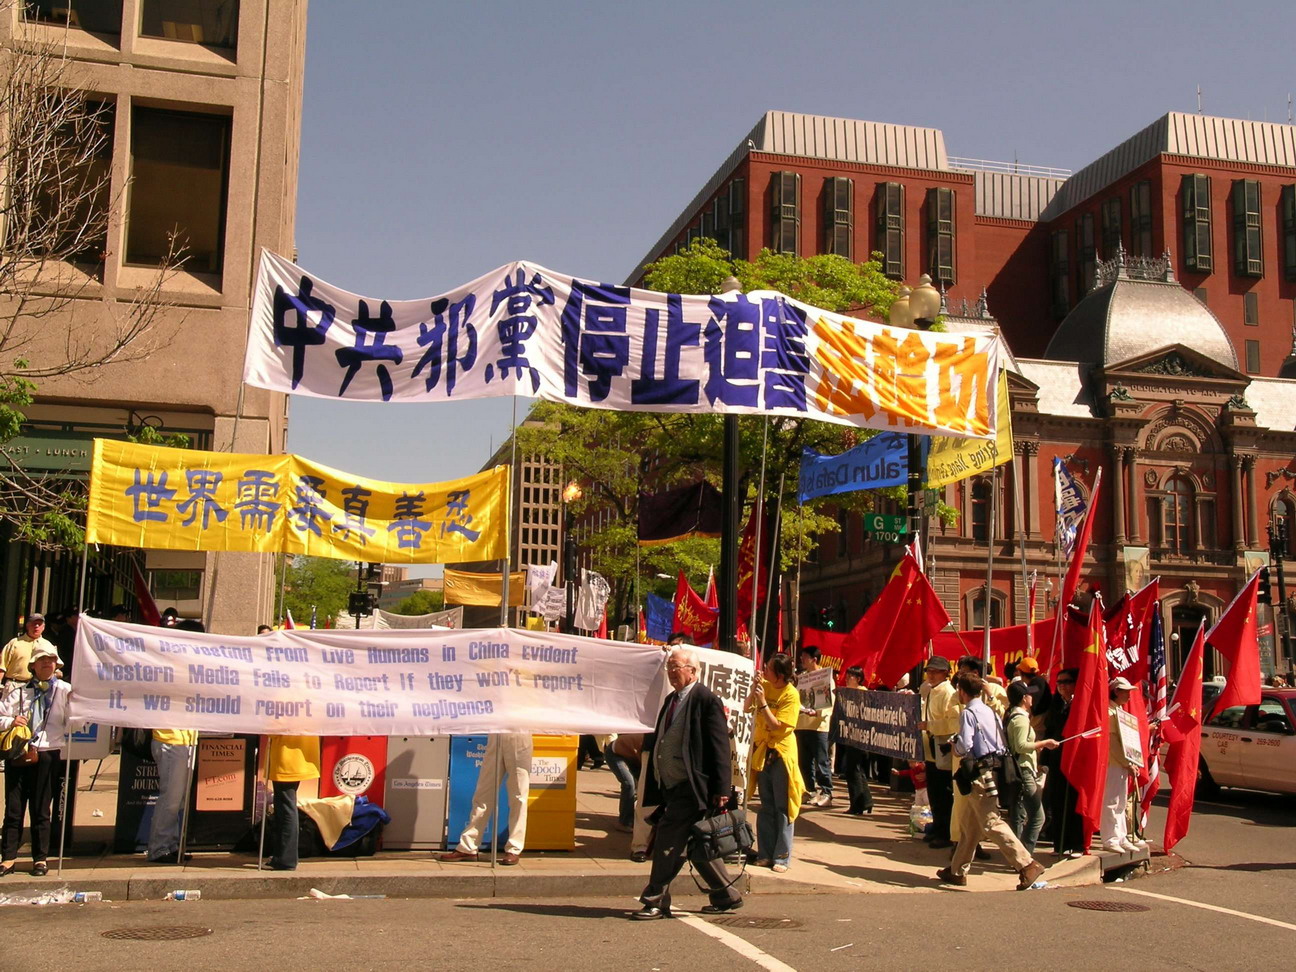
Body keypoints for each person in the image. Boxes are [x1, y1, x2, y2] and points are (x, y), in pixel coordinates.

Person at [632, 646, 741, 919]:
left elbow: (719, 747)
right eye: (669, 667)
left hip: (693, 787)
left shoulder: (706, 700)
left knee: (667, 840)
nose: (671, 672)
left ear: (692, 671)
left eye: (676, 667)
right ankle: (726, 895)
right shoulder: (671, 700)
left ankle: (656, 899)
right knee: (696, 841)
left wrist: (722, 789)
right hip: (671, 786)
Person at [936, 673, 1046, 890]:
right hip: (994, 770)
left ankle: (1027, 864)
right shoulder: (990, 711)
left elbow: (965, 746)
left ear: (962, 692)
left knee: (991, 822)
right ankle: (957, 870)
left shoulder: (968, 713)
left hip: (979, 774)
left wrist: (954, 745)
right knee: (969, 826)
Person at [0, 645, 71, 876]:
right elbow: (1, 715)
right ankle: (8, 858)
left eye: (51, 660)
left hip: (48, 752)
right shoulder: (19, 691)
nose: (47, 663)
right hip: (20, 752)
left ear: (56, 665)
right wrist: (11, 722)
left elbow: (77, 722)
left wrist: (74, 709)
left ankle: (40, 859)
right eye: (42, 660)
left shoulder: (65, 690)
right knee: (14, 807)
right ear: (33, 666)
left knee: (41, 808)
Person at [746, 653, 804, 872]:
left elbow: (778, 725)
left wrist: (763, 703)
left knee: (782, 807)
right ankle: (765, 853)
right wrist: (754, 689)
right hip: (764, 751)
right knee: (766, 805)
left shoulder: (791, 694)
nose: (765, 670)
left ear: (779, 674)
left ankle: (781, 856)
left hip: (781, 754)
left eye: (769, 668)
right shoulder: (766, 686)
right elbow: (746, 708)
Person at [440, 733, 532, 865]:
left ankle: (514, 848)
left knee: (518, 797)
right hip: (496, 735)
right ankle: (468, 847)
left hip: (519, 735)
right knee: (483, 794)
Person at [1004, 681, 1057, 856]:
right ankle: (1025, 855)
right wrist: (1043, 743)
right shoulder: (1020, 718)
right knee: (1037, 816)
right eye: (1029, 694)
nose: (1032, 697)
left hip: (1020, 769)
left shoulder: (1014, 715)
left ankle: (1018, 854)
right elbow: (1020, 746)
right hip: (1023, 771)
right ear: (1024, 698)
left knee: (1019, 814)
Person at [1041, 667, 1085, 857]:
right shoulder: (1056, 704)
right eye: (1059, 682)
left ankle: (1077, 844)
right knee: (1056, 800)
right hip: (1056, 758)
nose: (1062, 686)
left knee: (1074, 801)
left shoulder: (1080, 704)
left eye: (1066, 682)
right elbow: (1049, 730)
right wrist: (1044, 759)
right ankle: (1060, 844)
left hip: (1075, 759)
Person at [265, 735, 321, 870]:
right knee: (283, 805)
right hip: (300, 756)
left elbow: (274, 729)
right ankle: (281, 856)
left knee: (285, 806)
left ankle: (286, 859)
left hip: (286, 755)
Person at [1102, 676, 1144, 853]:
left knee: (1121, 801)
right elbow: (1112, 743)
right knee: (1111, 801)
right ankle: (1110, 838)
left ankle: (1121, 836)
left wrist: (1131, 761)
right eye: (1125, 691)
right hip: (1113, 762)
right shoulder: (1109, 712)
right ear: (1116, 691)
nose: (1128, 695)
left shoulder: (1118, 711)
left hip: (1122, 763)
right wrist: (1127, 762)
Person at [921, 656, 958, 849]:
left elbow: (953, 723)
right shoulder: (931, 690)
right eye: (929, 671)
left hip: (942, 748)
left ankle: (945, 833)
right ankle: (938, 827)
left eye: (935, 672)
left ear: (945, 673)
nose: (931, 675)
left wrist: (930, 725)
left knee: (943, 793)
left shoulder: (948, 693)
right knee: (934, 792)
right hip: (931, 748)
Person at [795, 645, 833, 808]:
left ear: (814, 659)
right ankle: (809, 790)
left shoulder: (825, 676)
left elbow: (829, 700)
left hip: (818, 726)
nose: (802, 660)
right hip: (802, 724)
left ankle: (826, 792)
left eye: (805, 657)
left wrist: (817, 713)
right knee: (804, 761)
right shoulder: (802, 677)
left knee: (821, 761)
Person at [832, 666, 873, 814]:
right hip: (850, 735)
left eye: (851, 677)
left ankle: (857, 805)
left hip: (859, 737)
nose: (848, 679)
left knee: (852, 770)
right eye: (847, 676)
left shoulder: (862, 692)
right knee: (857, 769)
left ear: (859, 679)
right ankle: (866, 801)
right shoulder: (849, 692)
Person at [603, 733, 642, 833]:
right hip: (614, 753)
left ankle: (635, 818)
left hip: (630, 755)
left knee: (640, 785)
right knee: (629, 784)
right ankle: (624, 822)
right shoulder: (647, 743)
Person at [1, 614, 54, 686]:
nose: (36, 626)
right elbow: (2, 666)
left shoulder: (48, 645)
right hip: (14, 684)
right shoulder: (14, 643)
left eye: (39, 624)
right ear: (27, 626)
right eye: (34, 624)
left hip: (37, 686)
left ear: (43, 627)